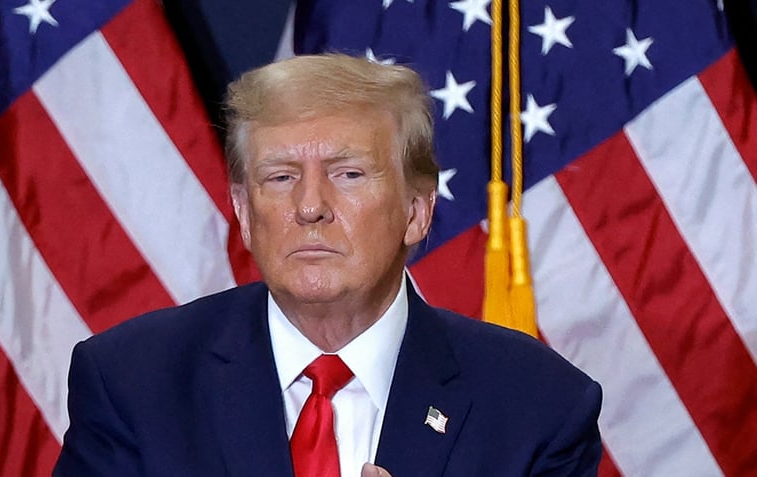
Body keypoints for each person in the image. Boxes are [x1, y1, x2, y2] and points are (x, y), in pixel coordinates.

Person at [53, 54, 602, 477]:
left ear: (417, 211)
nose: (310, 206)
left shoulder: (539, 407)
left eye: (348, 174)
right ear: (245, 213)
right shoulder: (132, 383)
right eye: (281, 176)